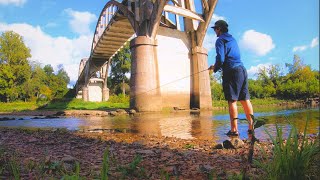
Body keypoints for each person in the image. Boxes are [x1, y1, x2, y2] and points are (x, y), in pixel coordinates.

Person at [208, 20, 254, 137]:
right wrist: (216, 66)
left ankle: (234, 130)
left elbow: (221, 58)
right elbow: (231, 56)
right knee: (245, 100)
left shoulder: (220, 40)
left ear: (219, 29)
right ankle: (251, 128)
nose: (215, 32)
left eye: (215, 29)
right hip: (242, 70)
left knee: (232, 101)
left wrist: (215, 68)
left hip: (232, 72)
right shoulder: (233, 39)